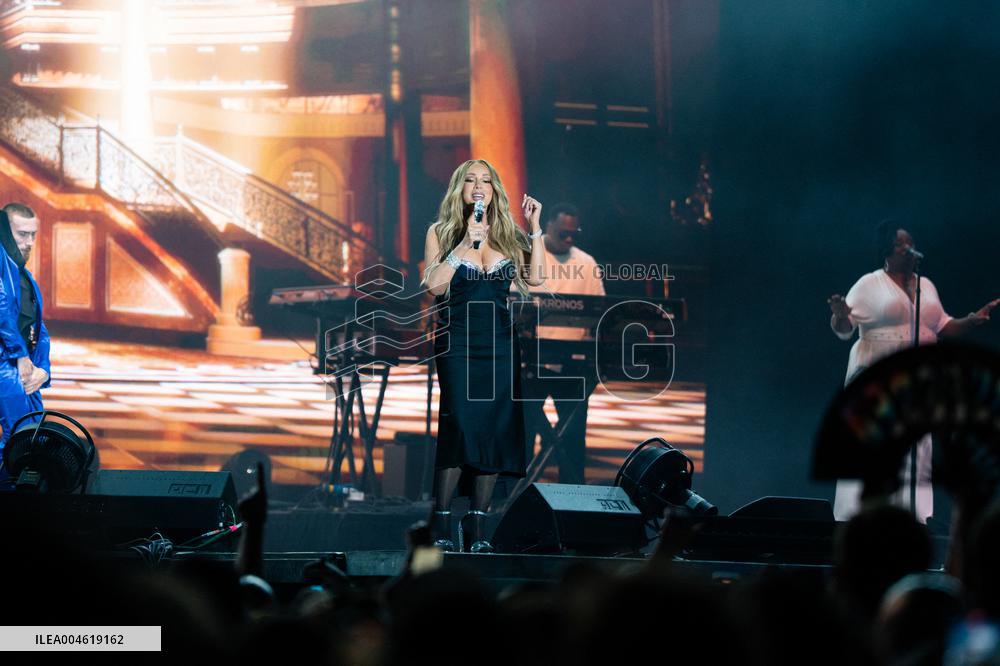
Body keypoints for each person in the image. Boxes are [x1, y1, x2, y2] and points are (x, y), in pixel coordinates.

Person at [828, 221, 998, 522]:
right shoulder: (869, 283)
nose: (909, 251)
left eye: (911, 245)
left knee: (917, 449)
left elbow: (943, 325)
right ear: (887, 251)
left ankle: (912, 521)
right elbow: (845, 329)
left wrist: (971, 319)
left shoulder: (926, 285)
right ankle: (863, 521)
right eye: (901, 246)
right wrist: (840, 315)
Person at [421, 159, 546, 552]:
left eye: (486, 181)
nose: (479, 186)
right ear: (459, 188)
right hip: (458, 342)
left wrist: (535, 229)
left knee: (492, 429)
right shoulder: (440, 232)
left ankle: (477, 529)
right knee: (459, 425)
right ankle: (441, 524)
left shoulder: (508, 235)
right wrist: (464, 244)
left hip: (500, 344)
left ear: (495, 190)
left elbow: (536, 278)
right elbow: (436, 288)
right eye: (470, 180)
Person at [522, 203, 604, 485]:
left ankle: (571, 499)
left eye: (573, 234)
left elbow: (598, 313)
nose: (569, 239)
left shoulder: (586, 263)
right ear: (549, 227)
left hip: (573, 363)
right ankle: (515, 498)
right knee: (523, 432)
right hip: (531, 361)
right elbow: (512, 306)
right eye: (563, 233)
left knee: (572, 438)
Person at [0, 204, 50, 451]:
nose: (30, 242)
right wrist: (19, 356)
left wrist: (44, 369)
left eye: (33, 235)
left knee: (33, 438)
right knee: (18, 440)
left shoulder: (25, 277)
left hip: (25, 370)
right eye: (22, 234)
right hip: (6, 365)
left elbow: (39, 329)